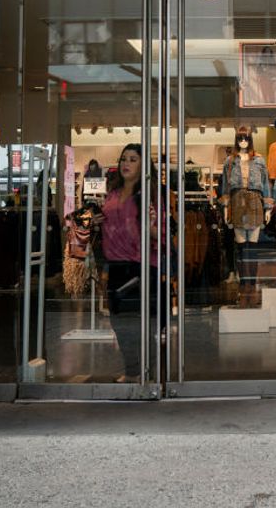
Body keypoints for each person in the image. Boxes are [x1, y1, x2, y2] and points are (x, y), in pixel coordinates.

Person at [100, 144, 161, 381]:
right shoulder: (113, 192)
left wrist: (151, 227)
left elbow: (163, 234)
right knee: (119, 323)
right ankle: (133, 371)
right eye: (124, 159)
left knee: (141, 323)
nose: (126, 163)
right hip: (114, 263)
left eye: (133, 159)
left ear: (144, 165)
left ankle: (150, 372)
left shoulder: (150, 193)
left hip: (141, 264)